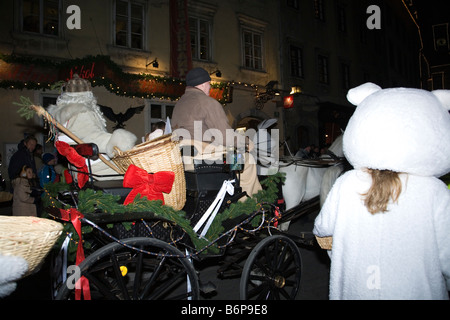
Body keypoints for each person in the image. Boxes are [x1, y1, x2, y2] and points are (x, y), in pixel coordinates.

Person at [313, 82, 450, 300]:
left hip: (355, 290)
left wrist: (343, 254)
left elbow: (322, 232)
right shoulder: (434, 192)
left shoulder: (346, 184)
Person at [171, 67, 262, 197]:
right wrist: (246, 142)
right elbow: (226, 137)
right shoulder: (207, 102)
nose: (210, 87)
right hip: (204, 158)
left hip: (185, 159)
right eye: (209, 83)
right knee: (248, 160)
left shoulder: (179, 104)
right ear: (202, 84)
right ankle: (248, 203)